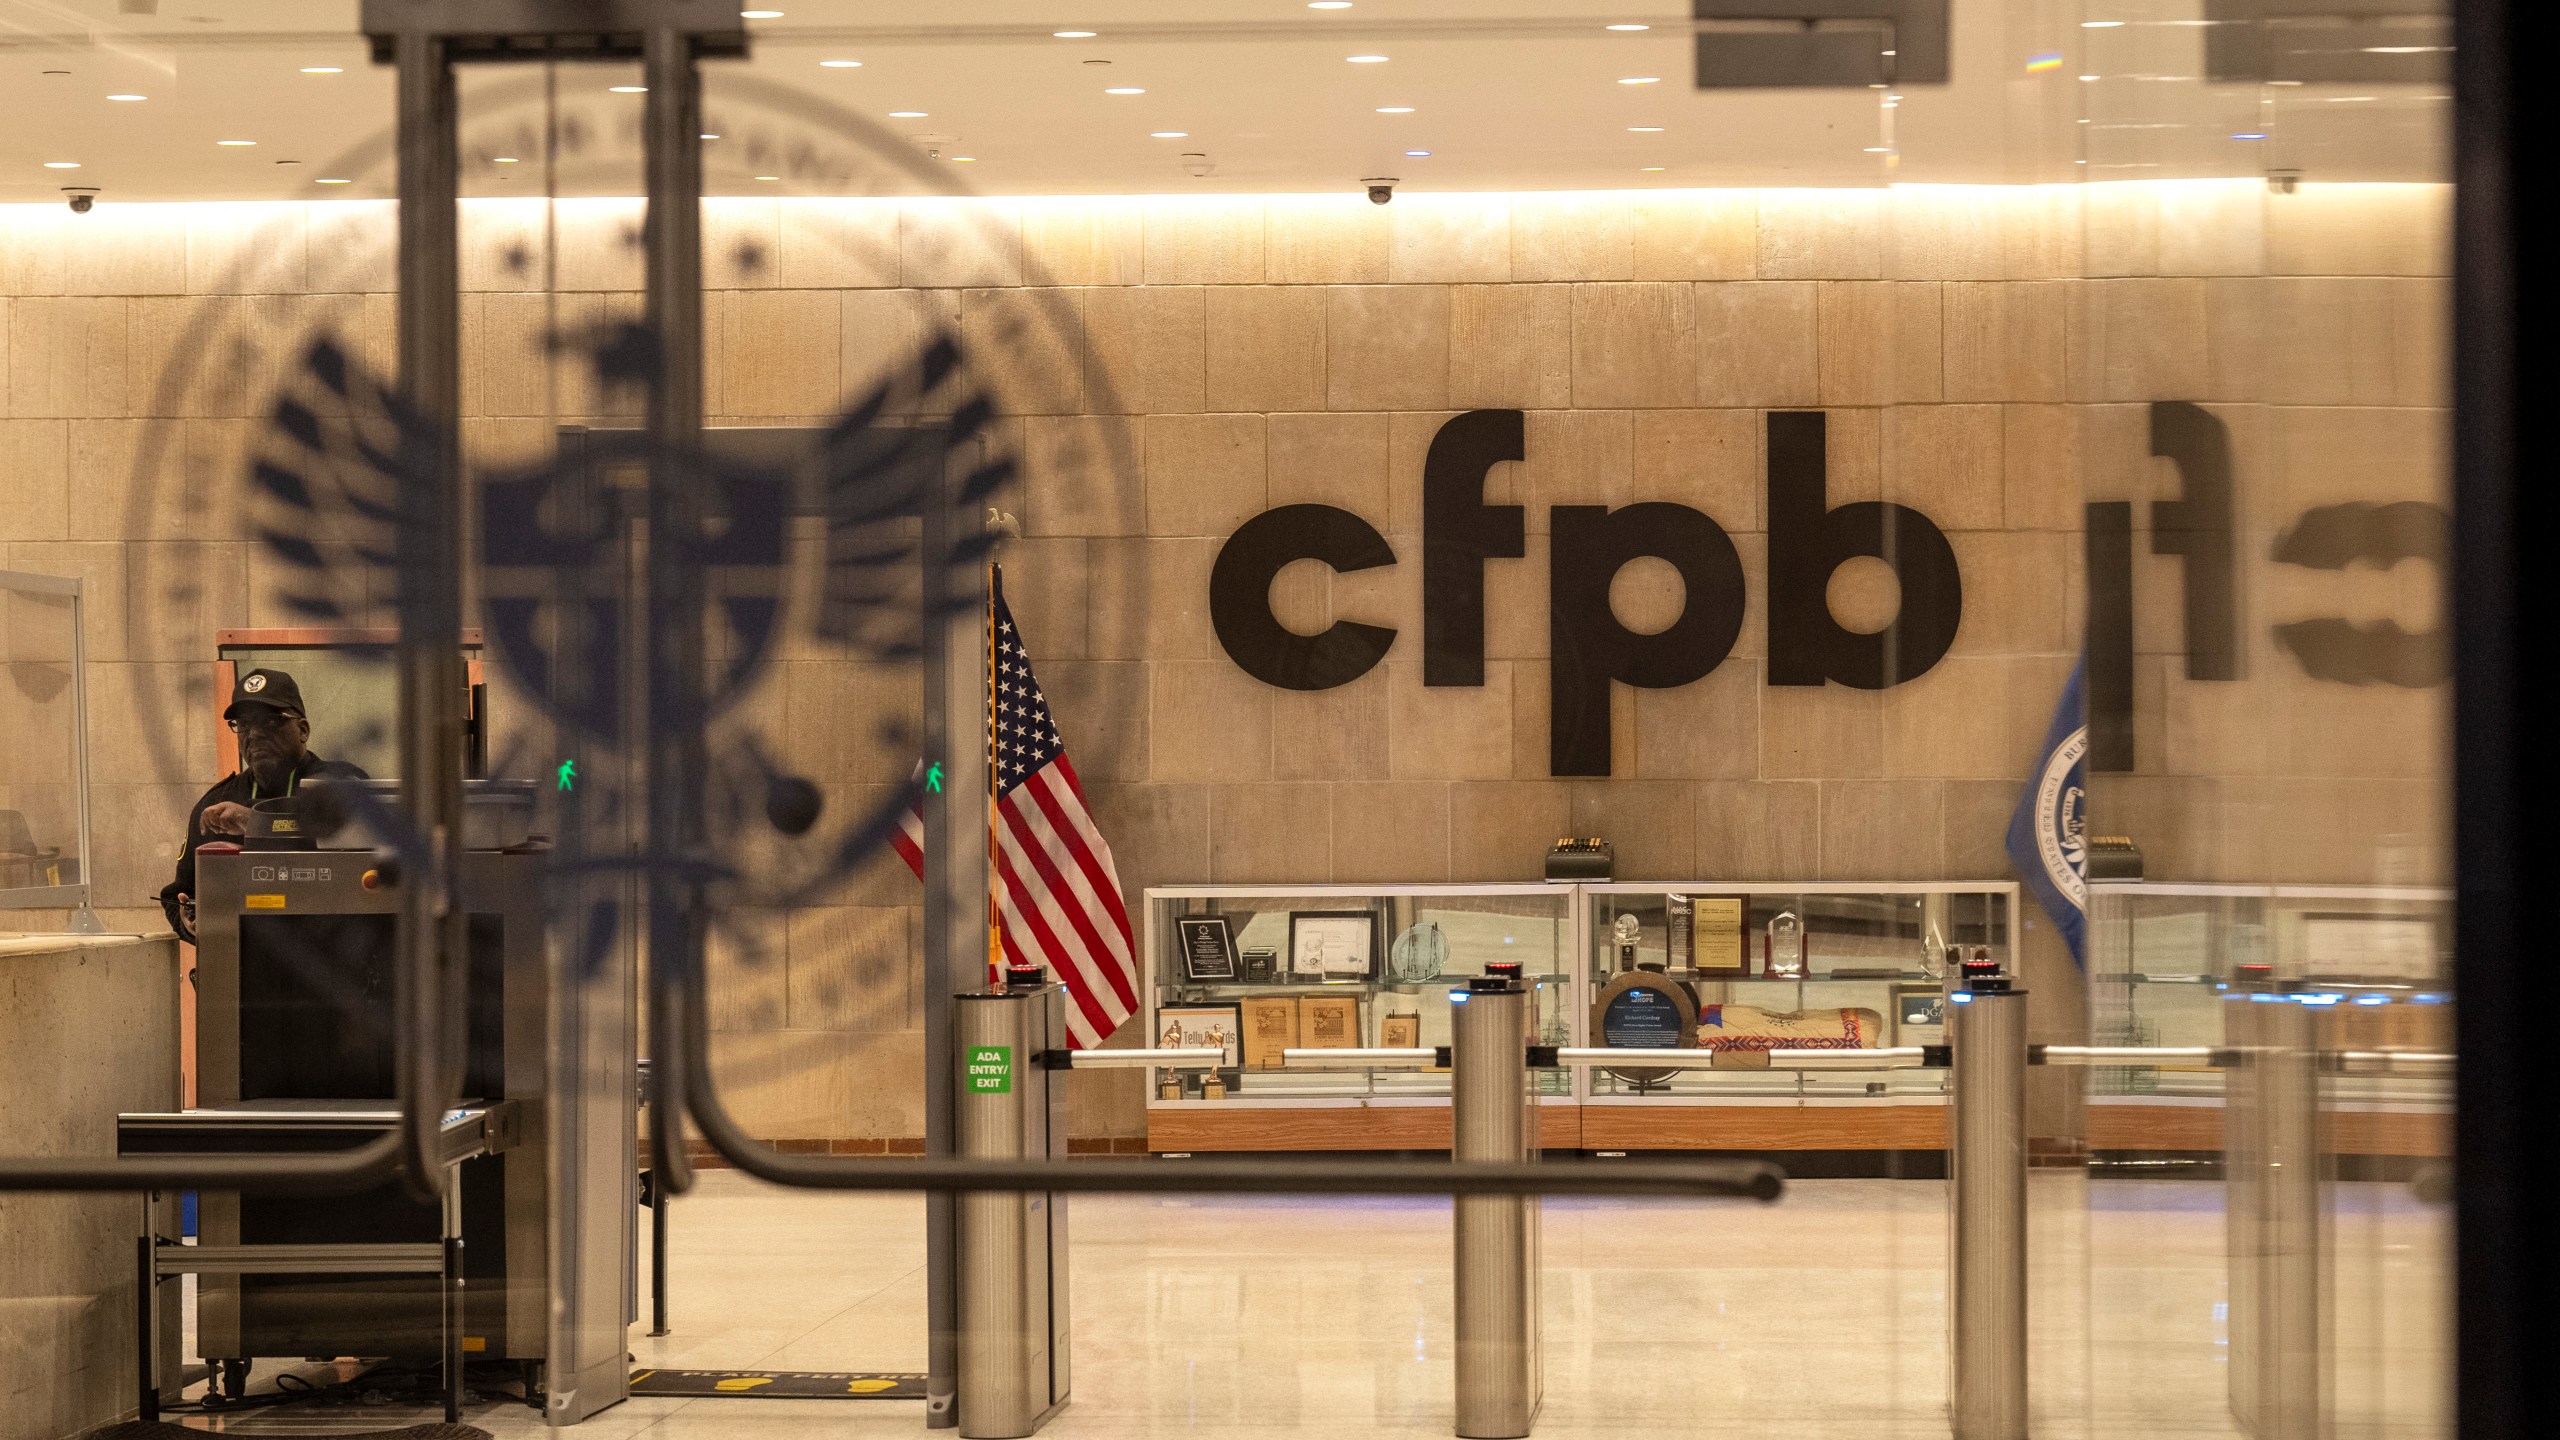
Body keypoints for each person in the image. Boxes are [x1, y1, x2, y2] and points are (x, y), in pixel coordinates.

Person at [158, 668, 367, 942]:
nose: (254, 734)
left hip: (328, 968)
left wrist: (256, 823)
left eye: (270, 721)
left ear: (302, 729)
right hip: (244, 970)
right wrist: (191, 923)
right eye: (243, 724)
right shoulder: (217, 803)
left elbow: (342, 838)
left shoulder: (340, 783)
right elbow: (178, 896)